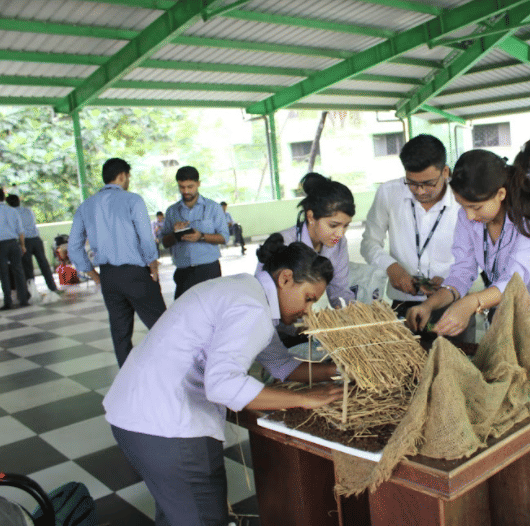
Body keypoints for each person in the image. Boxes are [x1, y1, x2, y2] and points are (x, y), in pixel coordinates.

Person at [103, 235, 342, 526]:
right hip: (168, 427)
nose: (308, 311)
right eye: (308, 299)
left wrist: (337, 369)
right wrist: (306, 399)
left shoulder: (245, 290)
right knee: (203, 519)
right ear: (286, 279)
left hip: (135, 414)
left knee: (177, 515)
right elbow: (223, 386)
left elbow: (282, 365)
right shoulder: (251, 309)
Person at [406, 150, 530, 336]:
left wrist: (471, 302)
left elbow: (514, 281)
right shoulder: (467, 217)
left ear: (500, 194)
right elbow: (462, 272)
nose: (469, 215)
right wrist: (429, 305)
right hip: (508, 309)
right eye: (463, 205)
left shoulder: (529, 220)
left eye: (476, 207)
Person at [68, 158, 166, 366]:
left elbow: (74, 247)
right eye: (128, 176)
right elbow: (146, 237)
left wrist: (94, 275)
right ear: (122, 176)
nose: (128, 180)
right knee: (162, 326)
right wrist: (153, 263)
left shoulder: (86, 206)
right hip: (136, 274)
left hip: (109, 277)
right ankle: (176, 375)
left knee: (120, 334)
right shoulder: (132, 200)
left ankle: (127, 387)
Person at [361, 134, 462, 323]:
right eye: (413, 183)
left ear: (445, 172)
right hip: (402, 301)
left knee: (455, 352)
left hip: (452, 302)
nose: (420, 191)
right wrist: (391, 267)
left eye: (429, 183)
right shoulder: (389, 193)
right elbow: (369, 242)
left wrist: (451, 277)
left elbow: (477, 252)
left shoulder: (462, 200)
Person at [270, 172, 355, 308]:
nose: (340, 234)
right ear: (311, 217)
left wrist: (353, 313)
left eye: (345, 225)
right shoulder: (281, 243)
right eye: (333, 225)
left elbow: (340, 292)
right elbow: (267, 297)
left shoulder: (339, 244)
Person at [162, 166, 229, 299]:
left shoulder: (213, 208)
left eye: (190, 186)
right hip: (183, 272)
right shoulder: (172, 211)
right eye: (181, 187)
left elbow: (224, 237)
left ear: (198, 184)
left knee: (212, 310)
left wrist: (201, 236)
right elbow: (164, 242)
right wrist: (175, 234)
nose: (186, 191)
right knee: (184, 313)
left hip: (208, 269)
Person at [5, 194, 58, 293]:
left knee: (28, 268)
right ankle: (53, 287)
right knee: (44, 265)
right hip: (36, 240)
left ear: (8, 203)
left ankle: (32, 292)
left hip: (25, 242)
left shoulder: (11, 214)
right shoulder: (28, 210)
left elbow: (17, 230)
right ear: (19, 201)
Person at [0, 188, 29, 309]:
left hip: (1, 245)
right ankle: (23, 300)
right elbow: (20, 230)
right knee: (19, 271)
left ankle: (8, 302)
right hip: (14, 243)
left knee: (4, 273)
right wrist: (22, 245)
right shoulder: (12, 211)